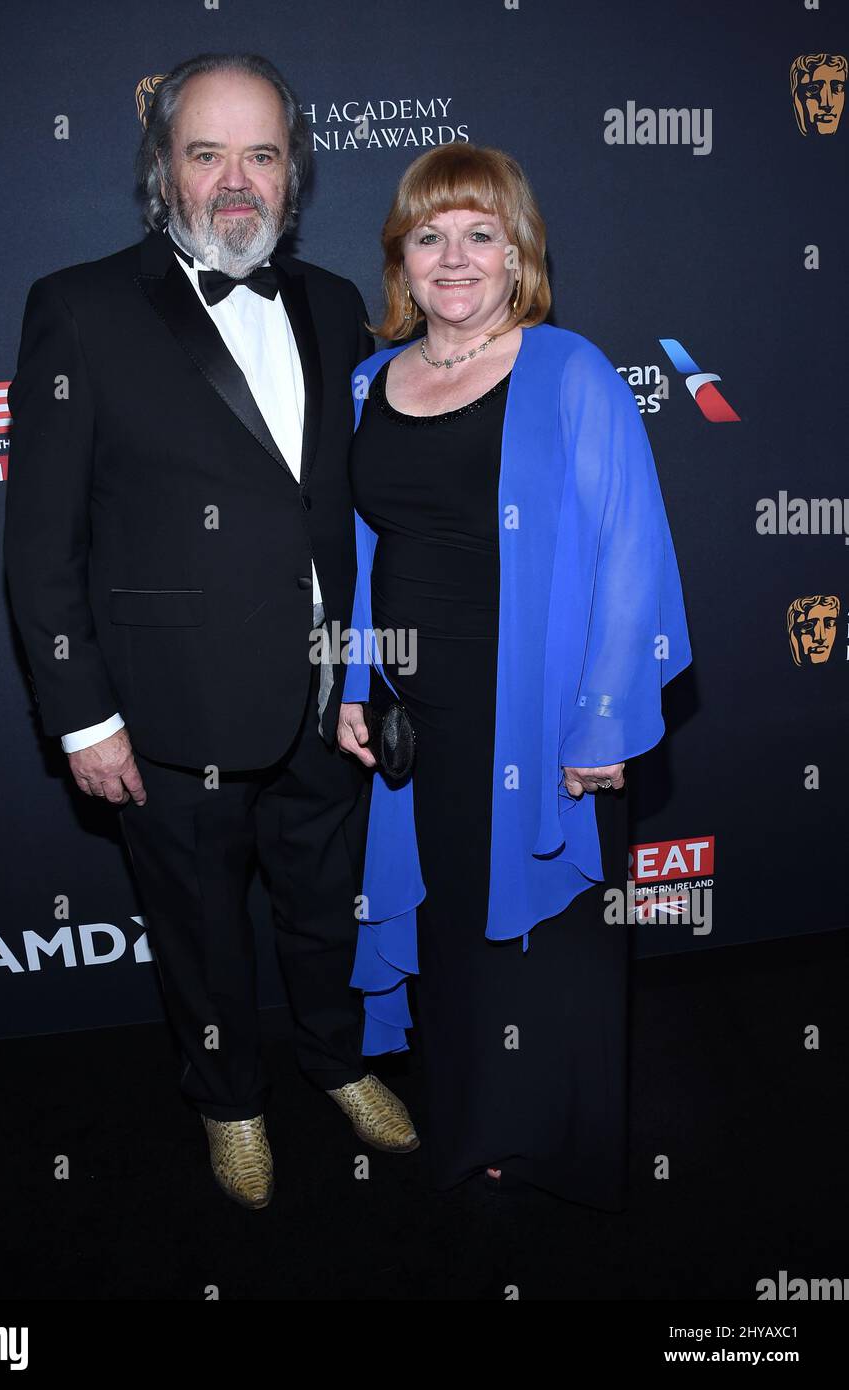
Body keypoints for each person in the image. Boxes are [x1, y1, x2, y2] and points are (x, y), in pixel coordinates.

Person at [3, 52, 418, 1212]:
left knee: (321, 903)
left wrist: (355, 667)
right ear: (161, 169)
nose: (237, 182)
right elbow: (40, 544)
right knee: (197, 928)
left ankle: (337, 1059)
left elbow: (335, 513)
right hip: (171, 707)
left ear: (296, 173)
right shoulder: (78, 307)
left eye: (263, 154)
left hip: (322, 699)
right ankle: (230, 1098)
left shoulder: (335, 305)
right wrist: (85, 718)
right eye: (207, 153)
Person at [337, 143, 691, 1209]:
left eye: (479, 234)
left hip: (539, 717)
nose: (455, 257)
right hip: (418, 719)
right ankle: (474, 1128)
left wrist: (600, 726)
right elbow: (360, 552)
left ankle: (555, 1142)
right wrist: (356, 679)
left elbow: (634, 558)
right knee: (453, 929)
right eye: (429, 235)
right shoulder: (367, 382)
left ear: (518, 252)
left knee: (549, 941)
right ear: (402, 257)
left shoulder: (570, 370)